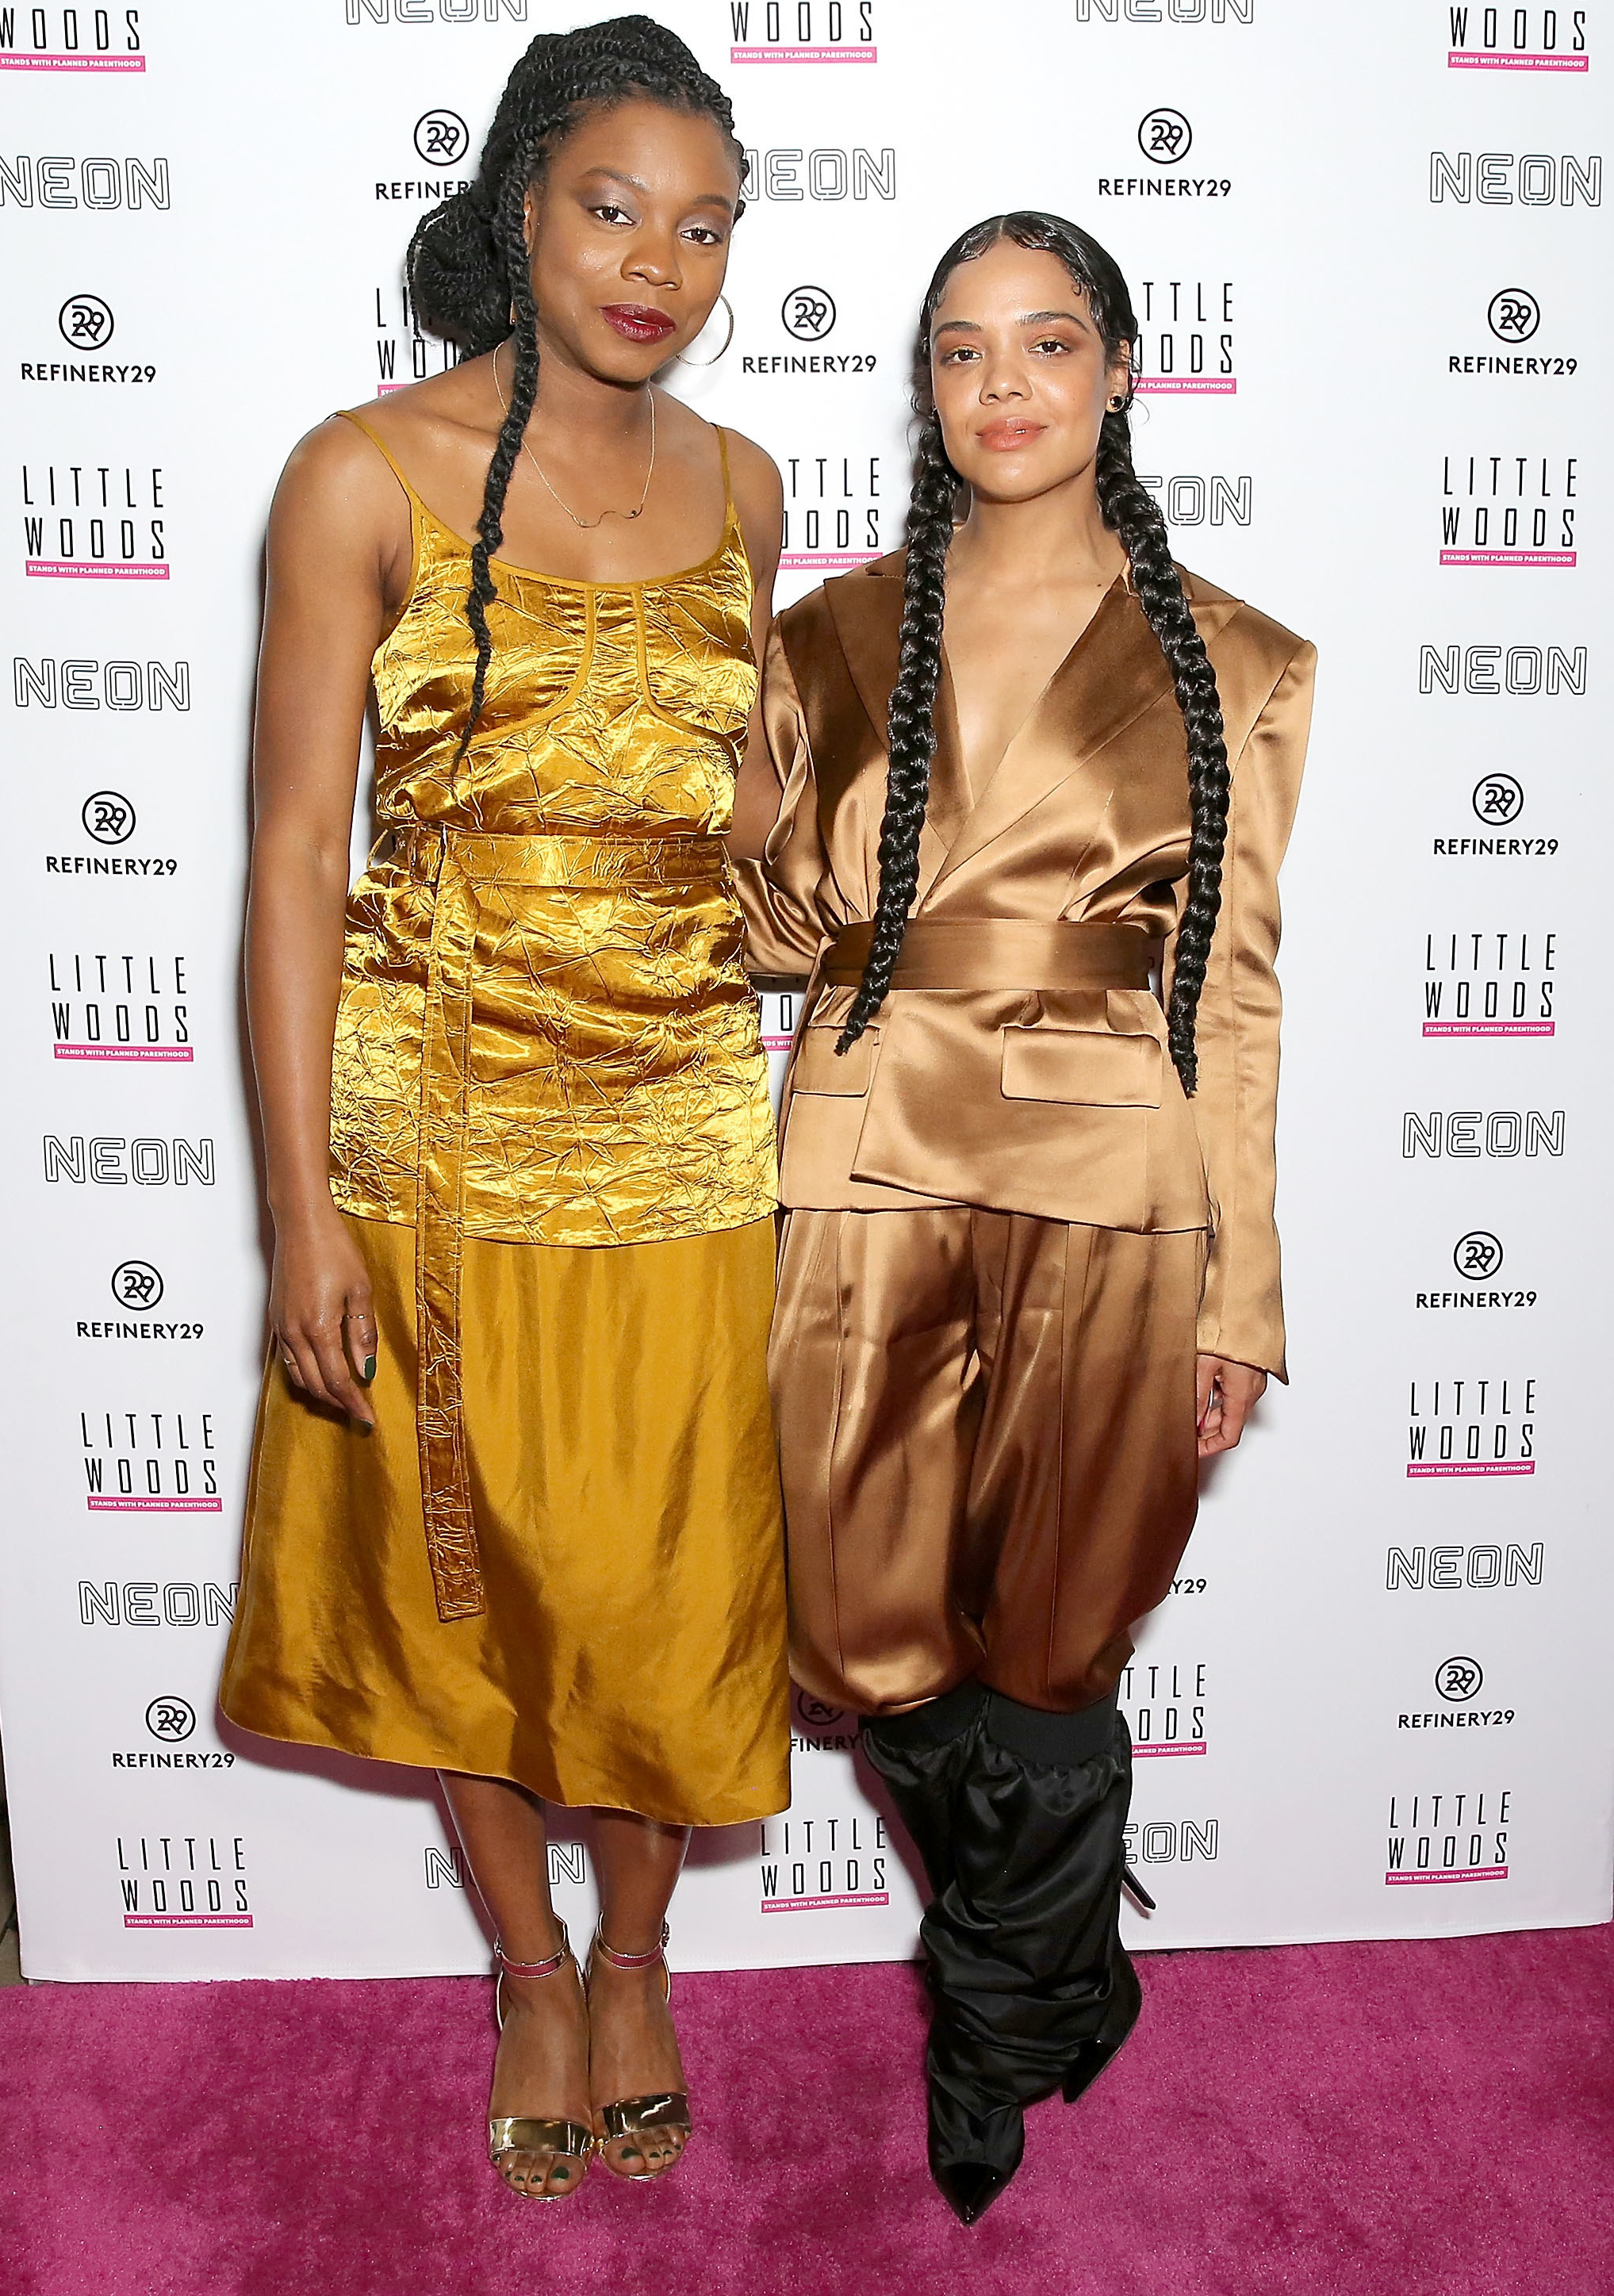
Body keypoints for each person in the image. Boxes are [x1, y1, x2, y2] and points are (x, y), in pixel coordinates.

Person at [220, 16, 790, 2202]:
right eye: (614, 205)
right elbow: (292, 856)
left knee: (654, 1584)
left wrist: (785, 844)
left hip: (674, 1126)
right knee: (467, 1599)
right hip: (433, 1128)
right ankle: (529, 1966)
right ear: (522, 199)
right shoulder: (358, 473)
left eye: (707, 224)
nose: (660, 259)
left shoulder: (744, 487)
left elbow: (760, 865)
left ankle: (638, 1949)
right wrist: (304, 1214)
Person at [730, 212, 1314, 2222]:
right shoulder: (823, 630)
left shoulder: (1233, 662)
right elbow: (767, 929)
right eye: (961, 349)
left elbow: (1229, 997)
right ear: (924, 386)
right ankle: (1068, 1958)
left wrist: (1241, 1287)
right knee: (858, 1633)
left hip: (1107, 1187)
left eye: (1047, 343)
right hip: (862, 1158)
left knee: (1059, 1648)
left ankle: (995, 2017)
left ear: (1121, 372)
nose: (1002, 385)